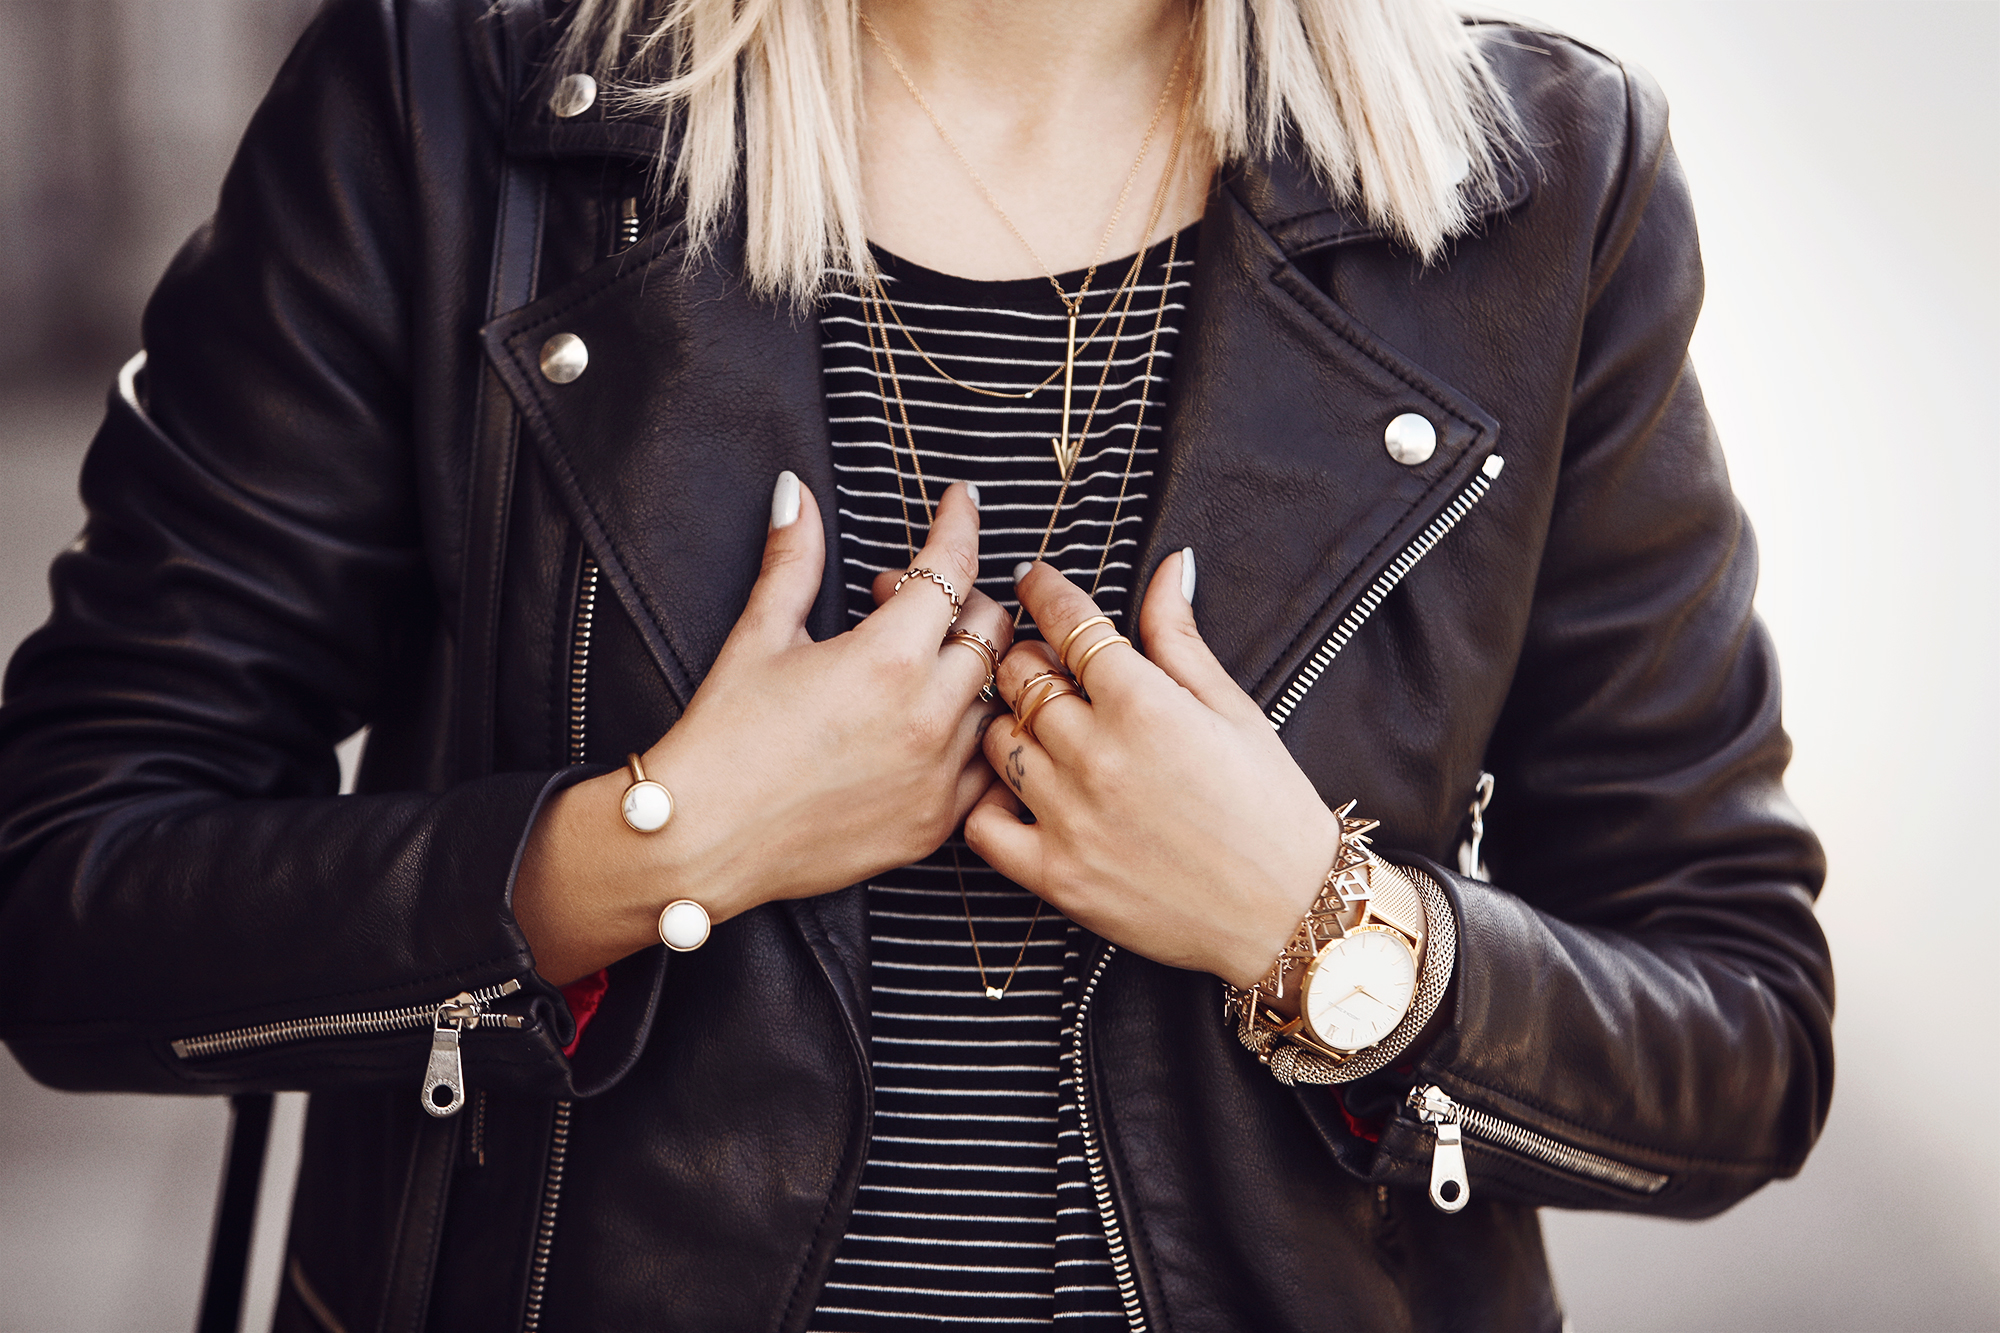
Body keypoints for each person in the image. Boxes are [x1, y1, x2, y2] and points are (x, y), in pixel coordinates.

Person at [0, 0, 1833, 1327]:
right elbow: (72, 894)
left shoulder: (1539, 190)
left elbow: (1741, 1032)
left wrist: (1319, 928)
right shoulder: (444, 109)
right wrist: (648, 851)